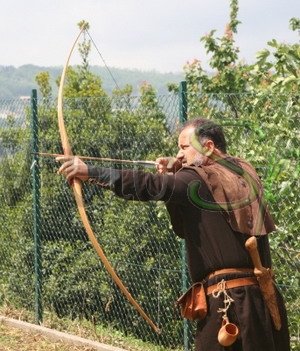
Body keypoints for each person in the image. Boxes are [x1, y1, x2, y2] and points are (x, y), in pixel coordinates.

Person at [57, 117, 290, 351]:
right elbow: (185, 227)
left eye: (184, 148)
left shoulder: (200, 179)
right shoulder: (241, 173)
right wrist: (175, 179)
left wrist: (91, 171)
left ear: (208, 147)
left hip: (230, 305)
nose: (179, 155)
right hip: (263, 304)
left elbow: (150, 184)